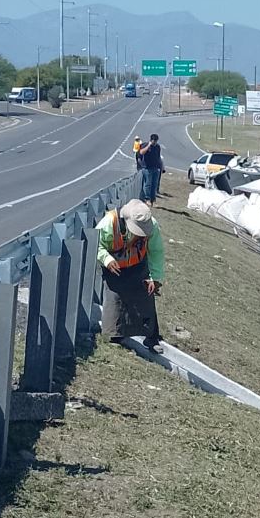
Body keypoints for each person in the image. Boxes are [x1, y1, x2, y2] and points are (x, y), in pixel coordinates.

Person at [96, 199, 166, 353]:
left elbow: (156, 252)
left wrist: (155, 277)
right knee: (115, 300)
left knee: (145, 299)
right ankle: (115, 335)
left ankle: (151, 337)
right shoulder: (109, 223)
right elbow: (97, 245)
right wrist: (107, 260)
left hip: (138, 265)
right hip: (114, 268)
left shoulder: (151, 225)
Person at [138, 133, 164, 206]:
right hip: (147, 168)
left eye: (156, 141)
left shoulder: (158, 147)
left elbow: (158, 157)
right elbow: (141, 152)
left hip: (156, 168)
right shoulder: (146, 145)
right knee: (148, 184)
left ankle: (153, 199)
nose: (155, 143)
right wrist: (149, 146)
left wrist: (160, 167)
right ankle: (147, 199)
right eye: (154, 141)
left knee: (154, 185)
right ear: (151, 140)